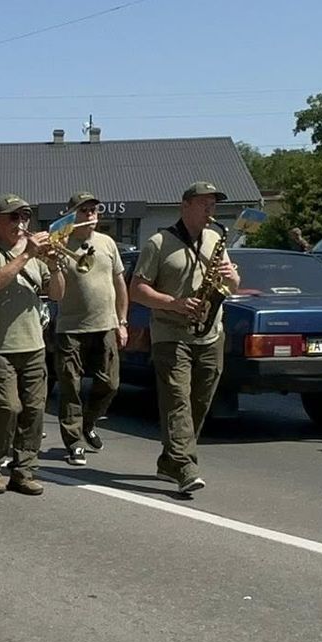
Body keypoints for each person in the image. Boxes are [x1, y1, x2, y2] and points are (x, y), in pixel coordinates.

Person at [130, 182, 238, 494]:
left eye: (213, 205)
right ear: (185, 206)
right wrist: (174, 303)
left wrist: (232, 277)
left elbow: (233, 283)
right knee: (177, 400)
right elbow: (137, 289)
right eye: (204, 204)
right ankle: (186, 467)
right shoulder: (159, 242)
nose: (210, 211)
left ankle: (169, 461)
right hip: (170, 333)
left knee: (199, 403)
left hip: (210, 332)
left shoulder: (216, 238)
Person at [0, 194, 63, 495]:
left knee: (34, 410)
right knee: (6, 408)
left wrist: (57, 266)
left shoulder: (34, 255)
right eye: (13, 217)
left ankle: (24, 470)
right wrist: (26, 255)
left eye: (24, 217)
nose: (21, 223)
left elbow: (58, 294)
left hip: (33, 344)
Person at [50, 192, 127, 466]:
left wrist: (123, 321)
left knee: (110, 383)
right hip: (70, 327)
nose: (90, 215)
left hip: (105, 324)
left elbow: (120, 283)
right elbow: (54, 291)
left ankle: (88, 423)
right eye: (84, 210)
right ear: (72, 215)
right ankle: (74, 442)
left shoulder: (107, 243)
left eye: (94, 210)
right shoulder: (59, 244)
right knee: (70, 386)